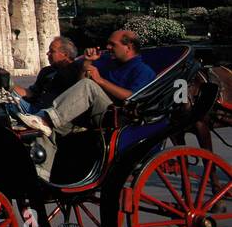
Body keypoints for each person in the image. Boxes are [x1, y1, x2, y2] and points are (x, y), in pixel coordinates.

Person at [18, 30, 155, 143]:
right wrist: (87, 62)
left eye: (113, 45)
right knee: (47, 131)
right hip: (90, 112)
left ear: (129, 47)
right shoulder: (107, 63)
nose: (108, 48)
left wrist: (100, 81)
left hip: (115, 115)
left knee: (89, 85)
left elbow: (133, 97)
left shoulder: (142, 70)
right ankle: (42, 172)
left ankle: (45, 118)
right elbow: (79, 86)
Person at [11, 36, 80, 112]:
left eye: (52, 51)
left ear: (65, 55)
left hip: (54, 114)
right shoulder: (46, 71)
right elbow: (32, 93)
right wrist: (9, 84)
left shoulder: (76, 71)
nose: (47, 53)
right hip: (35, 108)